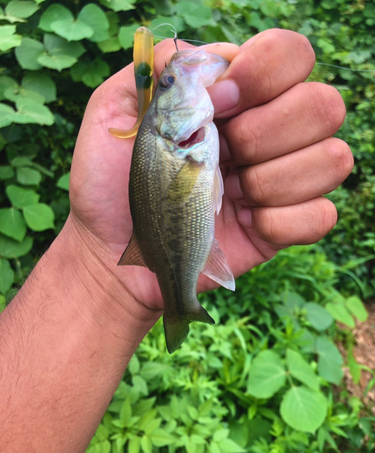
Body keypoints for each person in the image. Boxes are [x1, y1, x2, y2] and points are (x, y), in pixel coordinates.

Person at [0, 29, 353, 452]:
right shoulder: (171, 139)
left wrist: (99, 276)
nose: (174, 76)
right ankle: (181, 306)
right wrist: (94, 264)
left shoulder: (176, 136)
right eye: (165, 83)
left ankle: (179, 306)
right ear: (160, 115)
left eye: (166, 82)